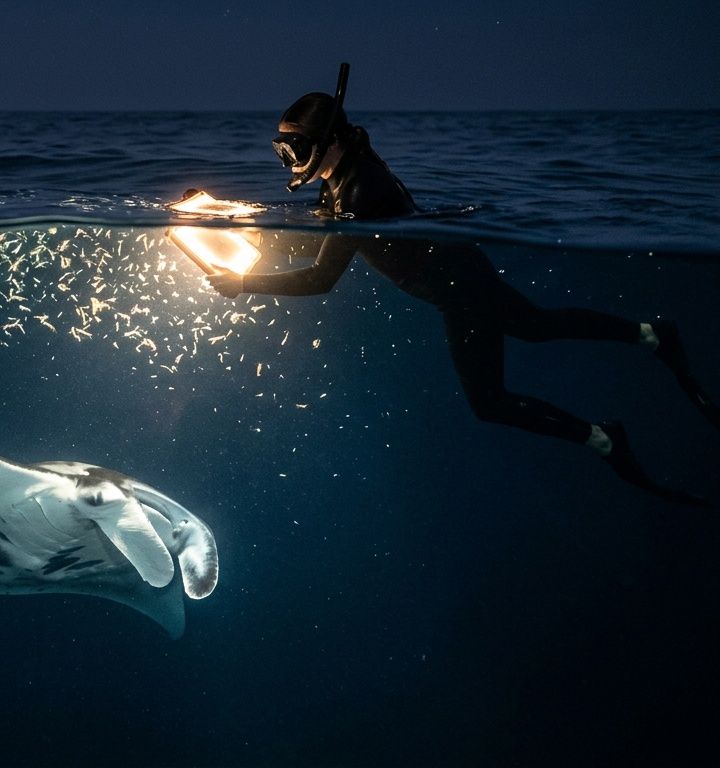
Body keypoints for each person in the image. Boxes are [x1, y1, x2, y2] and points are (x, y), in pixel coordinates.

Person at [207, 64, 718, 506]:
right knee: (529, 338)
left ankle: (614, 421)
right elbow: (325, 241)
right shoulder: (342, 182)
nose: (290, 163)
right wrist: (241, 223)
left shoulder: (360, 189)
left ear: (331, 141)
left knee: (502, 380)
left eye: (295, 149)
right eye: (282, 151)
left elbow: (322, 277)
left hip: (459, 285)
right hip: (453, 284)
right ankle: (646, 349)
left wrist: (243, 281)